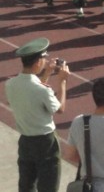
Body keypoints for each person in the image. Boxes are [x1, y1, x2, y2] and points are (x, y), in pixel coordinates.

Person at [5, 37, 70, 192]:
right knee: (48, 185)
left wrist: (47, 73)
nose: (45, 61)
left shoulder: (10, 84)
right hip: (45, 142)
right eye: (44, 58)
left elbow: (33, 91)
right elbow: (60, 108)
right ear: (37, 62)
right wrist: (62, 82)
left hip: (26, 140)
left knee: (26, 184)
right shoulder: (42, 90)